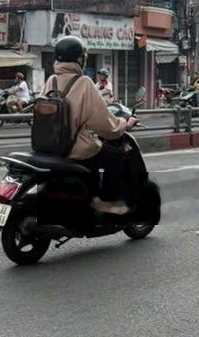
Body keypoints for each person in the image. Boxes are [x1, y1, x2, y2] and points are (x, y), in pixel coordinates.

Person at [42, 35, 143, 215]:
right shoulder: (84, 82)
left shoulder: (51, 81)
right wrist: (124, 124)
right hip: (75, 148)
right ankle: (107, 204)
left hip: (51, 146)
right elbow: (105, 124)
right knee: (116, 157)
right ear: (80, 59)